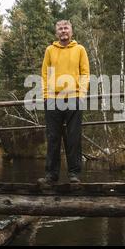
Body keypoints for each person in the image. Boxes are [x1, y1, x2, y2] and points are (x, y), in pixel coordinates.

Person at [38, 20, 90, 184]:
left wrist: (81, 93)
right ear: (56, 33)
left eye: (66, 28)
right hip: (53, 100)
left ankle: (74, 174)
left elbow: (85, 73)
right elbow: (45, 74)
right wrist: (46, 95)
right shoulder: (50, 50)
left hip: (74, 98)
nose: (63, 31)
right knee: (53, 137)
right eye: (60, 29)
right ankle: (51, 175)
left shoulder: (80, 49)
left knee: (73, 137)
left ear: (71, 31)